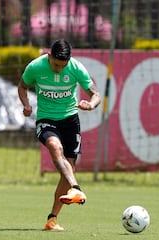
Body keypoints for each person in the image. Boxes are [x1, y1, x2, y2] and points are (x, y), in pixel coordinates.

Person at [18, 39, 101, 231]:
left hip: (70, 121)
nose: (58, 69)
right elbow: (22, 86)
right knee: (55, 146)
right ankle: (76, 188)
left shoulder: (76, 68)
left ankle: (52, 219)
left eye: (62, 66)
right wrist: (26, 104)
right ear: (49, 56)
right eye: (55, 65)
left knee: (68, 168)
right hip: (46, 119)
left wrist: (91, 104)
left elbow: (95, 93)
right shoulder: (35, 67)